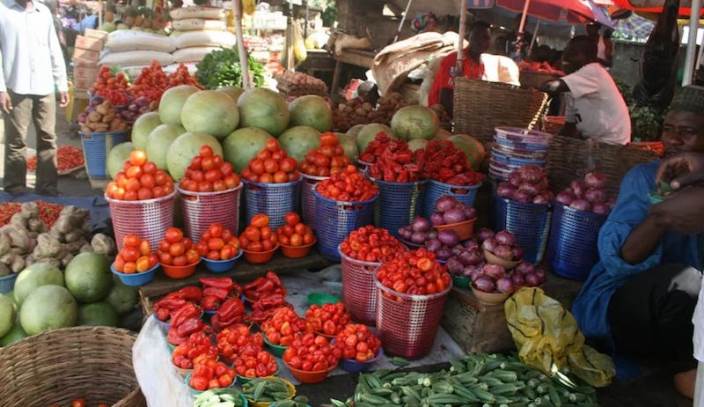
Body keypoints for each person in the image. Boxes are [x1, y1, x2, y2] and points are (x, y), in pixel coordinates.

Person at [572, 85, 704, 399]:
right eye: (668, 129)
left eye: (687, 132)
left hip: (686, 317)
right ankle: (682, 372)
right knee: (684, 282)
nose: (673, 140)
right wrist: (660, 213)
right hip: (627, 304)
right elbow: (620, 259)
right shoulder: (645, 178)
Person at [0, 0, 69, 195]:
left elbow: (54, 49)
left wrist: (61, 83)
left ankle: (47, 186)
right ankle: (15, 186)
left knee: (48, 137)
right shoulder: (3, 11)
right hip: (16, 85)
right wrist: (1, 88)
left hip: (44, 84)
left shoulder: (44, 12)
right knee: (16, 139)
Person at [540, 35, 631, 145]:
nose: (566, 57)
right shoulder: (573, 84)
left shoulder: (593, 71)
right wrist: (551, 144)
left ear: (589, 59)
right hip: (593, 142)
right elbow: (570, 127)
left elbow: (552, 86)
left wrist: (537, 87)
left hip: (611, 144)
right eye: (566, 52)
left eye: (573, 54)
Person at [427, 21, 492, 111]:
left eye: (486, 38)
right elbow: (445, 96)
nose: (481, 41)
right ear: (470, 38)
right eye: (476, 37)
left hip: (462, 111)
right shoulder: (456, 59)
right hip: (440, 112)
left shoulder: (481, 65)